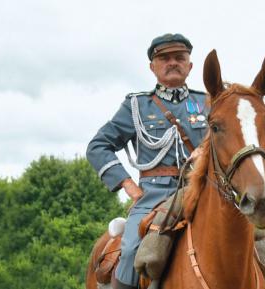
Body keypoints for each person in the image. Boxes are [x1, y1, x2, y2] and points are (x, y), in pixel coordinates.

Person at [86, 33, 208, 289]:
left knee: (259, 245)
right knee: (131, 251)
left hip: (204, 190)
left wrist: (205, 149)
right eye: (164, 58)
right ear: (153, 66)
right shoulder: (137, 106)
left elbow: (228, 140)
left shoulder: (208, 102)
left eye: (179, 57)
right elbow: (98, 146)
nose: (172, 62)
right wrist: (127, 184)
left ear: (190, 65)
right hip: (155, 194)